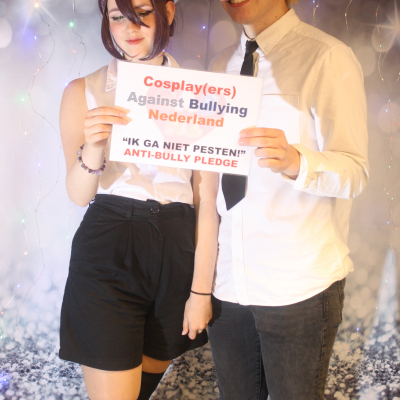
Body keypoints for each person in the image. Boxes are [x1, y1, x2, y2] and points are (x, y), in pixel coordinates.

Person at [182, 0, 369, 398]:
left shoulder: (327, 57)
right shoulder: (219, 66)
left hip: (297, 289)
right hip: (228, 287)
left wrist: (297, 162)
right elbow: (211, 183)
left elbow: (355, 171)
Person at [58, 1, 208, 399]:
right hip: (111, 242)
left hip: (178, 247)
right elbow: (78, 195)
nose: (130, 27)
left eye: (142, 11)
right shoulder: (84, 90)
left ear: (168, 11)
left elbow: (205, 199)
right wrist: (94, 147)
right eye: (117, 16)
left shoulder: (202, 93)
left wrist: (201, 288)